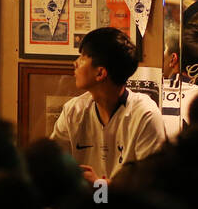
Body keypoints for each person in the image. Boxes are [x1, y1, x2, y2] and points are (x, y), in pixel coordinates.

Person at [48, 27, 166, 183]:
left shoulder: (145, 114)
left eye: (82, 58)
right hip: (85, 198)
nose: (75, 63)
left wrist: (101, 185)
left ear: (100, 73)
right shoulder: (73, 110)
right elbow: (52, 163)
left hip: (127, 199)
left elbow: (152, 184)